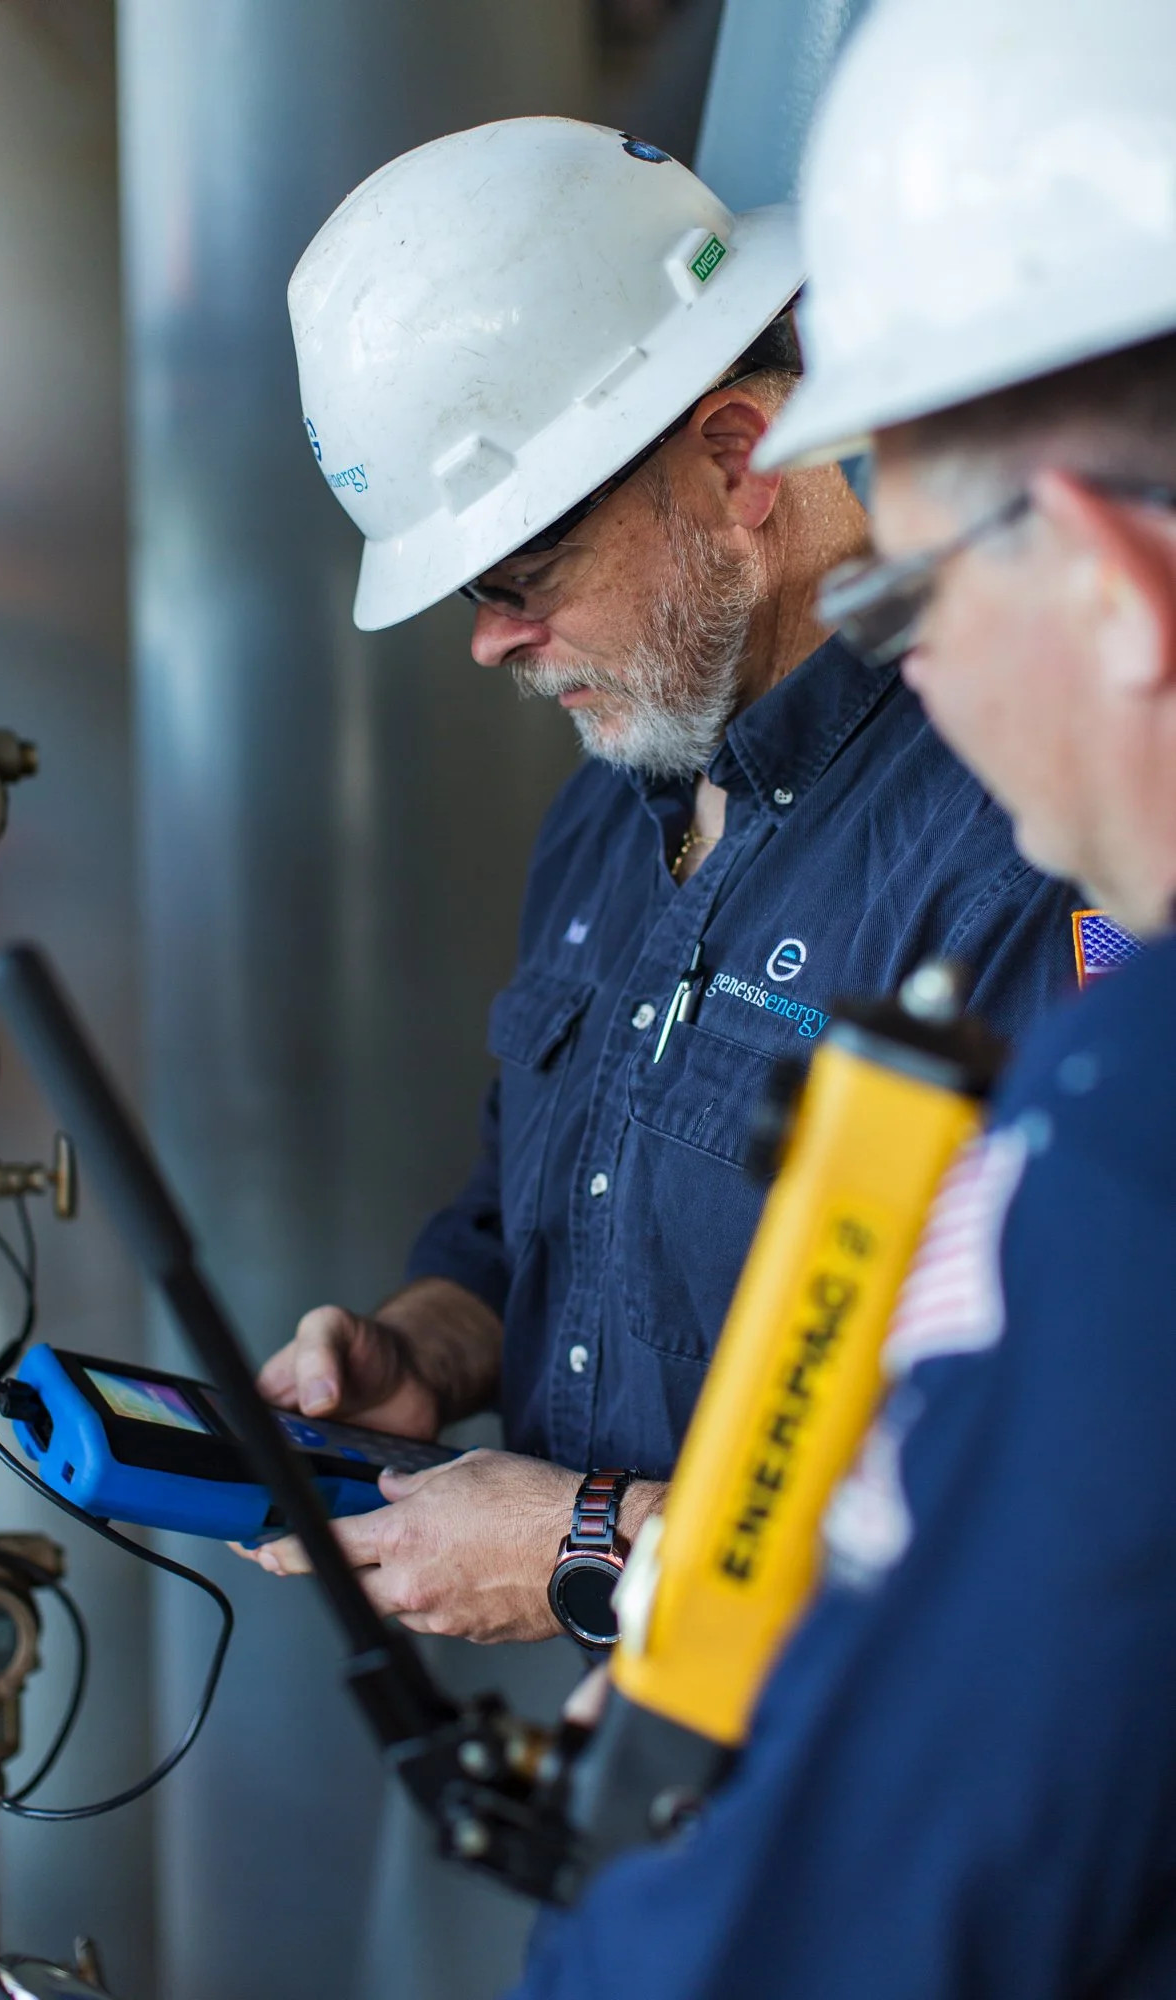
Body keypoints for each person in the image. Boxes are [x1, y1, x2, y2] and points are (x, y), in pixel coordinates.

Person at [507, 0, 1176, 1992]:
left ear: (1108, 586)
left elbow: (881, 1900)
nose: (929, 684)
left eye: (918, 599)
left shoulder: (1136, 1125)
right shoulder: (596, 833)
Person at [240, 116, 1077, 1650]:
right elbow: (528, 1204)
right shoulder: (608, 805)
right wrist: (437, 1339)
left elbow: (1054, 1488)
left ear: (737, 457)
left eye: (524, 573)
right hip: (632, 1773)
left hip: (867, 1811)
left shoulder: (1020, 835)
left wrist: (594, 1547)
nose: (488, 639)